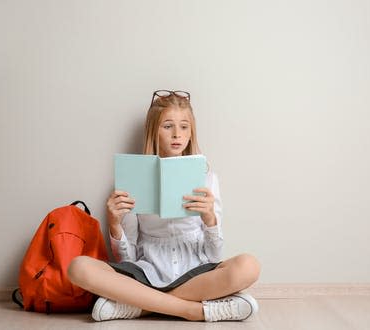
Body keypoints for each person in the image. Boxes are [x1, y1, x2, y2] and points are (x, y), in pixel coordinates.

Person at [68, 90, 261, 322]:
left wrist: (210, 220)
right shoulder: (132, 179)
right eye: (168, 126)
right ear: (154, 131)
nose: (177, 134)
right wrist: (114, 224)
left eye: (184, 126)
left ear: (192, 132)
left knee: (249, 266)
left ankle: (140, 306)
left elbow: (213, 255)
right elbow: (126, 261)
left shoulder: (207, 178)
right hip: (147, 271)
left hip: (195, 274)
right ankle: (194, 311)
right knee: (78, 267)